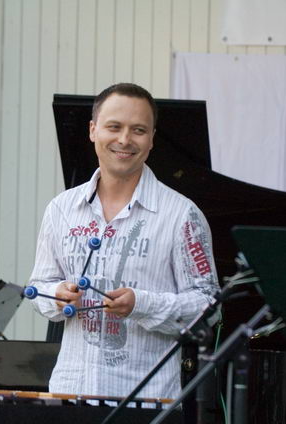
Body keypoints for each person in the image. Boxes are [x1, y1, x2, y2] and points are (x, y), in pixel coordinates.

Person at [28, 83, 220, 400]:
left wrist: (140, 304)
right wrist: (56, 296)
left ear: (152, 139)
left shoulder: (183, 215)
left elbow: (209, 305)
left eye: (138, 130)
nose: (124, 140)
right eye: (114, 127)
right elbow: (39, 286)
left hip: (147, 401)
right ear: (93, 130)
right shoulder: (60, 209)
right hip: (69, 395)